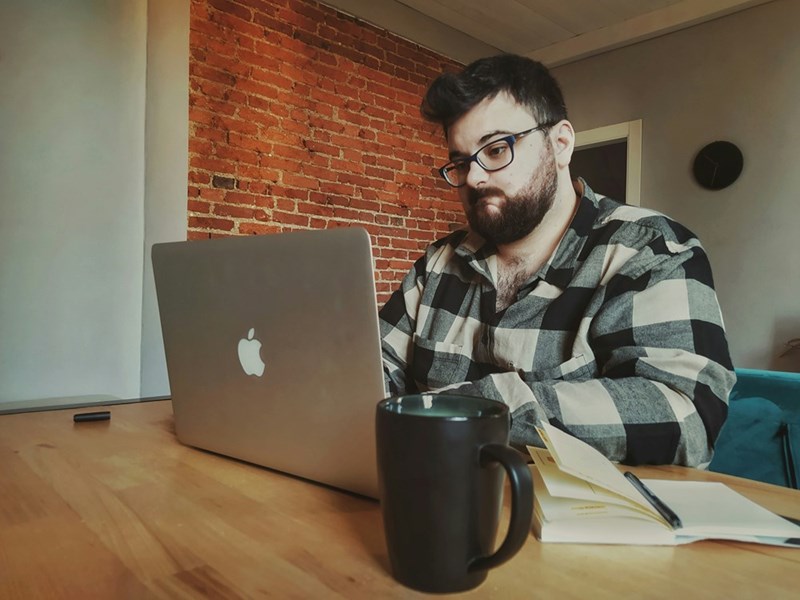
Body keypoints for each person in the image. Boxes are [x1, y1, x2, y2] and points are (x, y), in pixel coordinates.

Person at [379, 54, 735, 467]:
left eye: (496, 149)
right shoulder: (437, 265)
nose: (474, 178)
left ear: (561, 143)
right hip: (438, 507)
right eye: (461, 162)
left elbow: (686, 415)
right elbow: (374, 375)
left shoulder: (650, 251)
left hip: (586, 524)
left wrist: (474, 411)